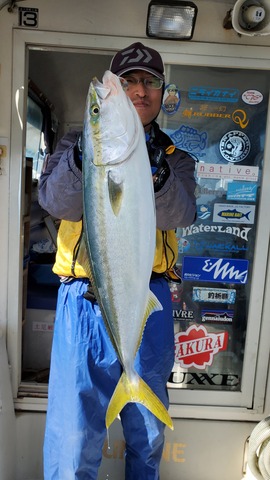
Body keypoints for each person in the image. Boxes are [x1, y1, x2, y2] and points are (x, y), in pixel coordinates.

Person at [39, 41, 196, 480]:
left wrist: (157, 175)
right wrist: (84, 154)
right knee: (73, 437)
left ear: (164, 92)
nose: (139, 91)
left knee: (146, 435)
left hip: (149, 300)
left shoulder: (176, 160)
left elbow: (181, 212)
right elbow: (55, 201)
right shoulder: (76, 145)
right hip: (84, 302)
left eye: (150, 82)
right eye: (129, 81)